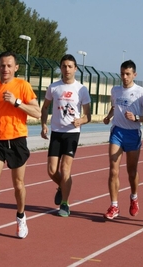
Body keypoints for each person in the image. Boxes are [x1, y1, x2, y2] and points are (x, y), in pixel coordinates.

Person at [0, 51, 41, 241]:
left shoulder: (23, 86)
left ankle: (21, 217)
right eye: (2, 65)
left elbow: (37, 112)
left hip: (17, 140)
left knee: (18, 185)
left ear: (16, 68)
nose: (5, 68)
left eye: (9, 65)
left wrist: (17, 102)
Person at [41, 54, 91, 217]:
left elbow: (88, 115)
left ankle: (65, 204)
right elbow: (45, 107)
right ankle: (63, 185)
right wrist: (43, 124)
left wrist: (81, 121)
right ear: (61, 68)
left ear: (75, 69)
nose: (67, 69)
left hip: (72, 134)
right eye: (64, 66)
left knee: (65, 168)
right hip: (56, 132)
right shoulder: (54, 87)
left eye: (70, 66)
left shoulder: (81, 89)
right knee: (51, 170)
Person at [103, 60, 143, 220]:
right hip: (117, 132)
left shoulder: (142, 92)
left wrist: (136, 117)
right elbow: (114, 106)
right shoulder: (115, 90)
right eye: (122, 74)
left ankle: (134, 197)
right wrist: (108, 116)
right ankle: (114, 205)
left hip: (132, 134)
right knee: (113, 170)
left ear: (134, 75)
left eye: (128, 74)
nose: (124, 77)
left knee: (131, 172)